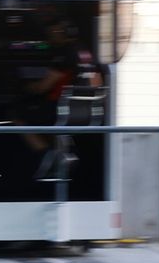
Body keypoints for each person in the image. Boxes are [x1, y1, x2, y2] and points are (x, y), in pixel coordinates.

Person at [14, 19, 102, 177]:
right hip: (88, 111)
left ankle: (44, 152)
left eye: (53, 33)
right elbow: (97, 82)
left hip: (60, 108)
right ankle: (59, 156)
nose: (50, 37)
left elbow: (44, 86)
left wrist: (25, 88)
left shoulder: (64, 53)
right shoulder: (86, 53)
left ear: (65, 33)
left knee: (16, 114)